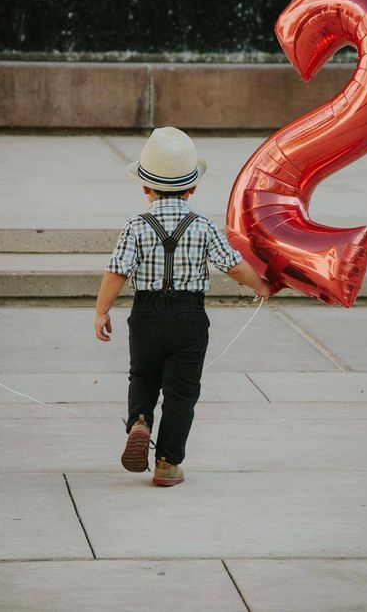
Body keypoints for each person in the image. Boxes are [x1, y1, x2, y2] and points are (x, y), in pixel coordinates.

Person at [94, 126, 271, 487]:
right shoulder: (202, 225)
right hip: (189, 318)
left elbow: (117, 271)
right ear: (192, 188)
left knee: (142, 376)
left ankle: (140, 420)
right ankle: (167, 463)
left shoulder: (136, 225)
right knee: (182, 393)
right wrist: (261, 286)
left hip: (145, 315)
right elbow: (233, 265)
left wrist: (101, 311)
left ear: (145, 187)